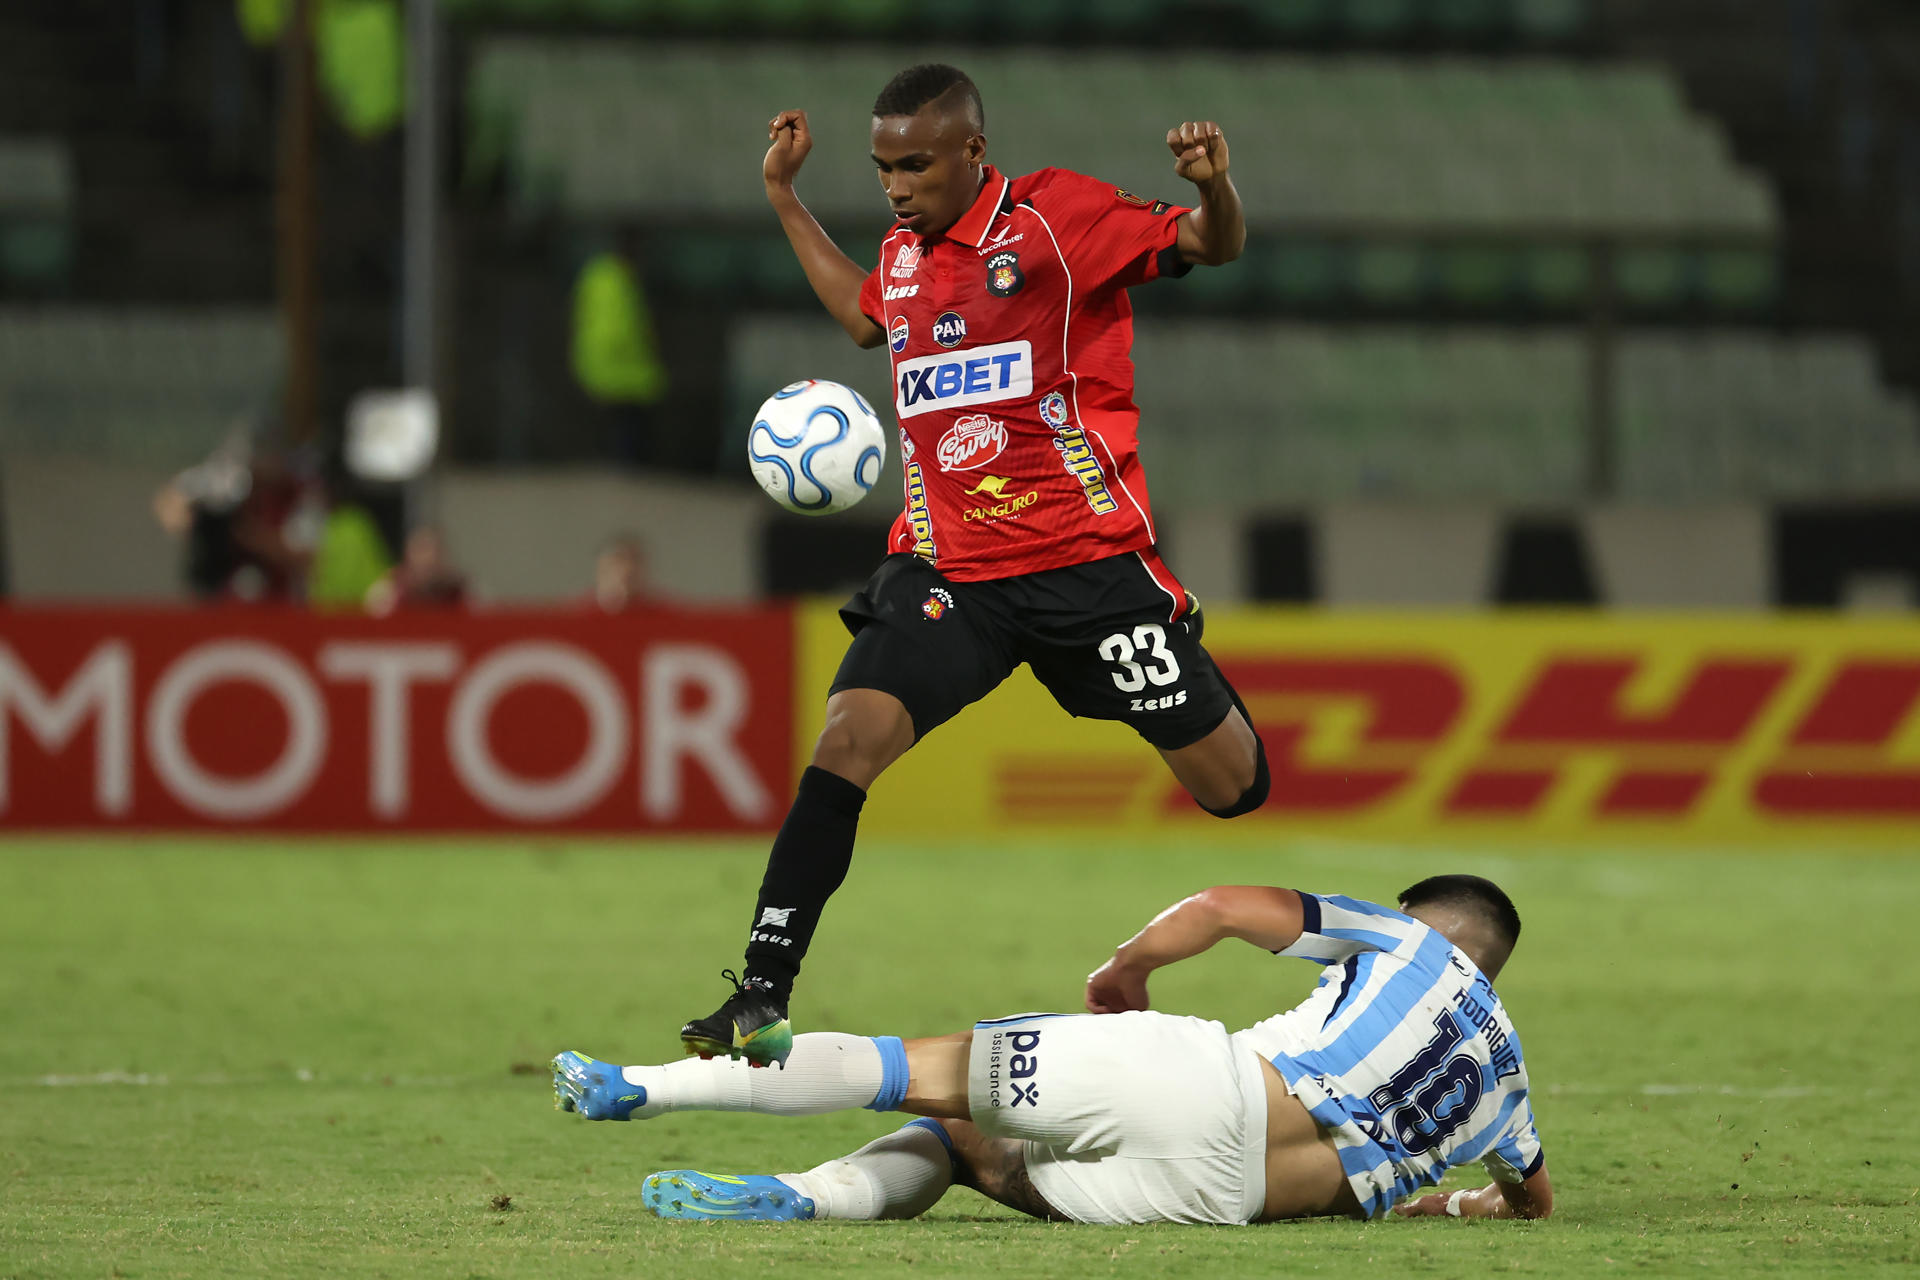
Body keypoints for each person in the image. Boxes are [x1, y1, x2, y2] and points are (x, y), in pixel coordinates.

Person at [678, 64, 1263, 1067]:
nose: (897, 187)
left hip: (1088, 568)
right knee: (845, 740)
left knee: (1233, 786)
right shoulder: (904, 257)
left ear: (972, 153)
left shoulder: (1056, 219)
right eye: (882, 169)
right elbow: (867, 317)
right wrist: (783, 194)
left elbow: (1211, 244)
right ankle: (761, 991)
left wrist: (1213, 184)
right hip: (950, 571)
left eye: (915, 164)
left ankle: (1171, 652)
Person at [555, 874, 1552, 1227]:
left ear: (1432, 919)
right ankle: (806, 1196)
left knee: (914, 1070)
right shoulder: (1508, 1090)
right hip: (1216, 1201)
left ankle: (639, 1083)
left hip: (1206, 1080)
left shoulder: (1404, 937)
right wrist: (1461, 1199)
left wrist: (1128, 972)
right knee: (966, 1148)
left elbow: (1218, 907)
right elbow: (1531, 1200)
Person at [365, 524, 469, 614]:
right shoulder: (388, 590)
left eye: (435, 551)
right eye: (422, 550)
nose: (429, 558)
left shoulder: (454, 591)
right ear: (408, 553)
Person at [586, 533, 651, 612]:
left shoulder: (664, 617)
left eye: (631, 576)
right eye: (617, 563)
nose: (624, 570)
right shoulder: (574, 617)